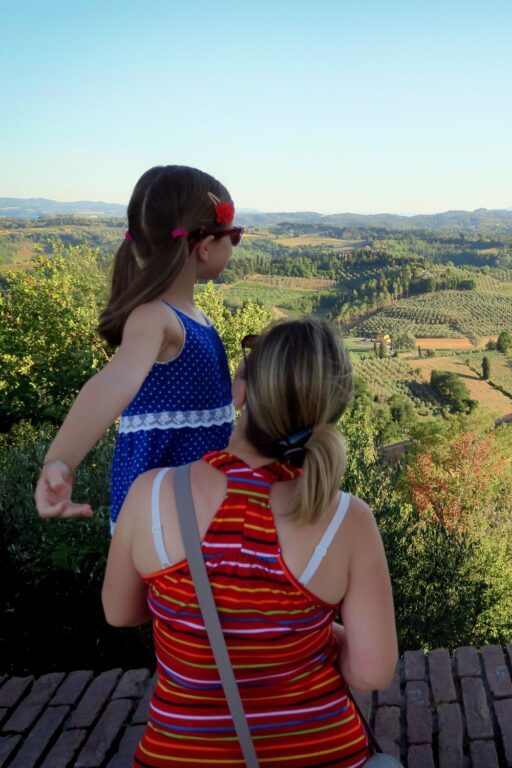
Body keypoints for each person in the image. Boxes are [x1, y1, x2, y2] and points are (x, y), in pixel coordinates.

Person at [102, 315, 398, 766]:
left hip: (179, 754)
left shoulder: (151, 493)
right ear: (330, 411)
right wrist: (314, 633)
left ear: (241, 390)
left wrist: (191, 612)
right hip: (321, 752)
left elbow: (120, 610)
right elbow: (372, 672)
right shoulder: (347, 520)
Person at [35, 165, 242, 528]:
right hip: (162, 514)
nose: (235, 244)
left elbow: (206, 409)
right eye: (234, 235)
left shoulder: (191, 316)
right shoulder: (155, 317)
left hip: (198, 502)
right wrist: (60, 460)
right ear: (206, 247)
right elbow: (113, 383)